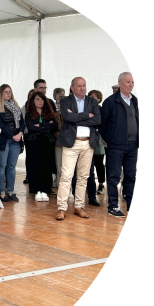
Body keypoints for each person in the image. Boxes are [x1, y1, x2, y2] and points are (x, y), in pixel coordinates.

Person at [55, 77, 101, 221]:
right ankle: (61, 208)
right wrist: (87, 115)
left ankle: (78, 206)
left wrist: (76, 117)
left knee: (83, 177)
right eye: (79, 86)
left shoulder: (92, 101)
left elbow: (97, 120)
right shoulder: (65, 101)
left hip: (88, 143)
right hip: (71, 143)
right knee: (66, 176)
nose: (82, 88)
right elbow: (67, 116)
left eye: (84, 85)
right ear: (72, 88)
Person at [100, 72, 138, 218]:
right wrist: (110, 139)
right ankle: (113, 206)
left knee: (130, 176)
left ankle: (129, 204)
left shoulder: (134, 100)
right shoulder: (110, 102)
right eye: (128, 82)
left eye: (133, 82)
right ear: (120, 83)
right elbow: (103, 124)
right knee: (114, 176)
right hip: (116, 145)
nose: (131, 85)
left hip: (132, 145)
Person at [0, 84, 25, 202]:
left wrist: (20, 133)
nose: (8, 94)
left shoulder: (16, 107)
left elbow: (22, 122)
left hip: (16, 140)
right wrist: (12, 135)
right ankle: (1, 193)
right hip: (3, 141)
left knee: (11, 167)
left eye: (10, 91)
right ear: (0, 94)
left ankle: (10, 191)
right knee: (0, 167)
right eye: (6, 92)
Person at [25, 92, 59, 201]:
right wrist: (45, 126)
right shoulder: (29, 113)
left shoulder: (49, 112)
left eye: (42, 99)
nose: (40, 102)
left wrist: (40, 125)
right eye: (38, 99)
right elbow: (30, 128)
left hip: (47, 142)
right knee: (34, 166)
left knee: (46, 166)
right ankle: (36, 190)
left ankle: (45, 190)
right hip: (33, 142)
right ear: (33, 101)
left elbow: (54, 125)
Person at [88, 90, 106, 195]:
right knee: (89, 163)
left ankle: (101, 183)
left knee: (99, 163)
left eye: (94, 97)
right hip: (88, 138)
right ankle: (90, 185)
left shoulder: (101, 110)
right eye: (90, 97)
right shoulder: (86, 110)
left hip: (98, 138)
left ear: (99, 99)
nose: (92, 99)